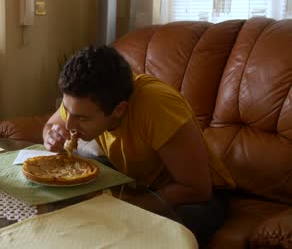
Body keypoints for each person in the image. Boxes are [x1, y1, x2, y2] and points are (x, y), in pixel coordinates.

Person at [42, 45, 236, 246]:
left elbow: (197, 188)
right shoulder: (82, 102)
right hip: (136, 181)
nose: (70, 125)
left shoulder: (157, 106)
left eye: (82, 118)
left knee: (159, 231)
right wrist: (50, 136)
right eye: (66, 110)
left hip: (195, 196)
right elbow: (50, 125)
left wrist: (128, 207)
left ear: (119, 110)